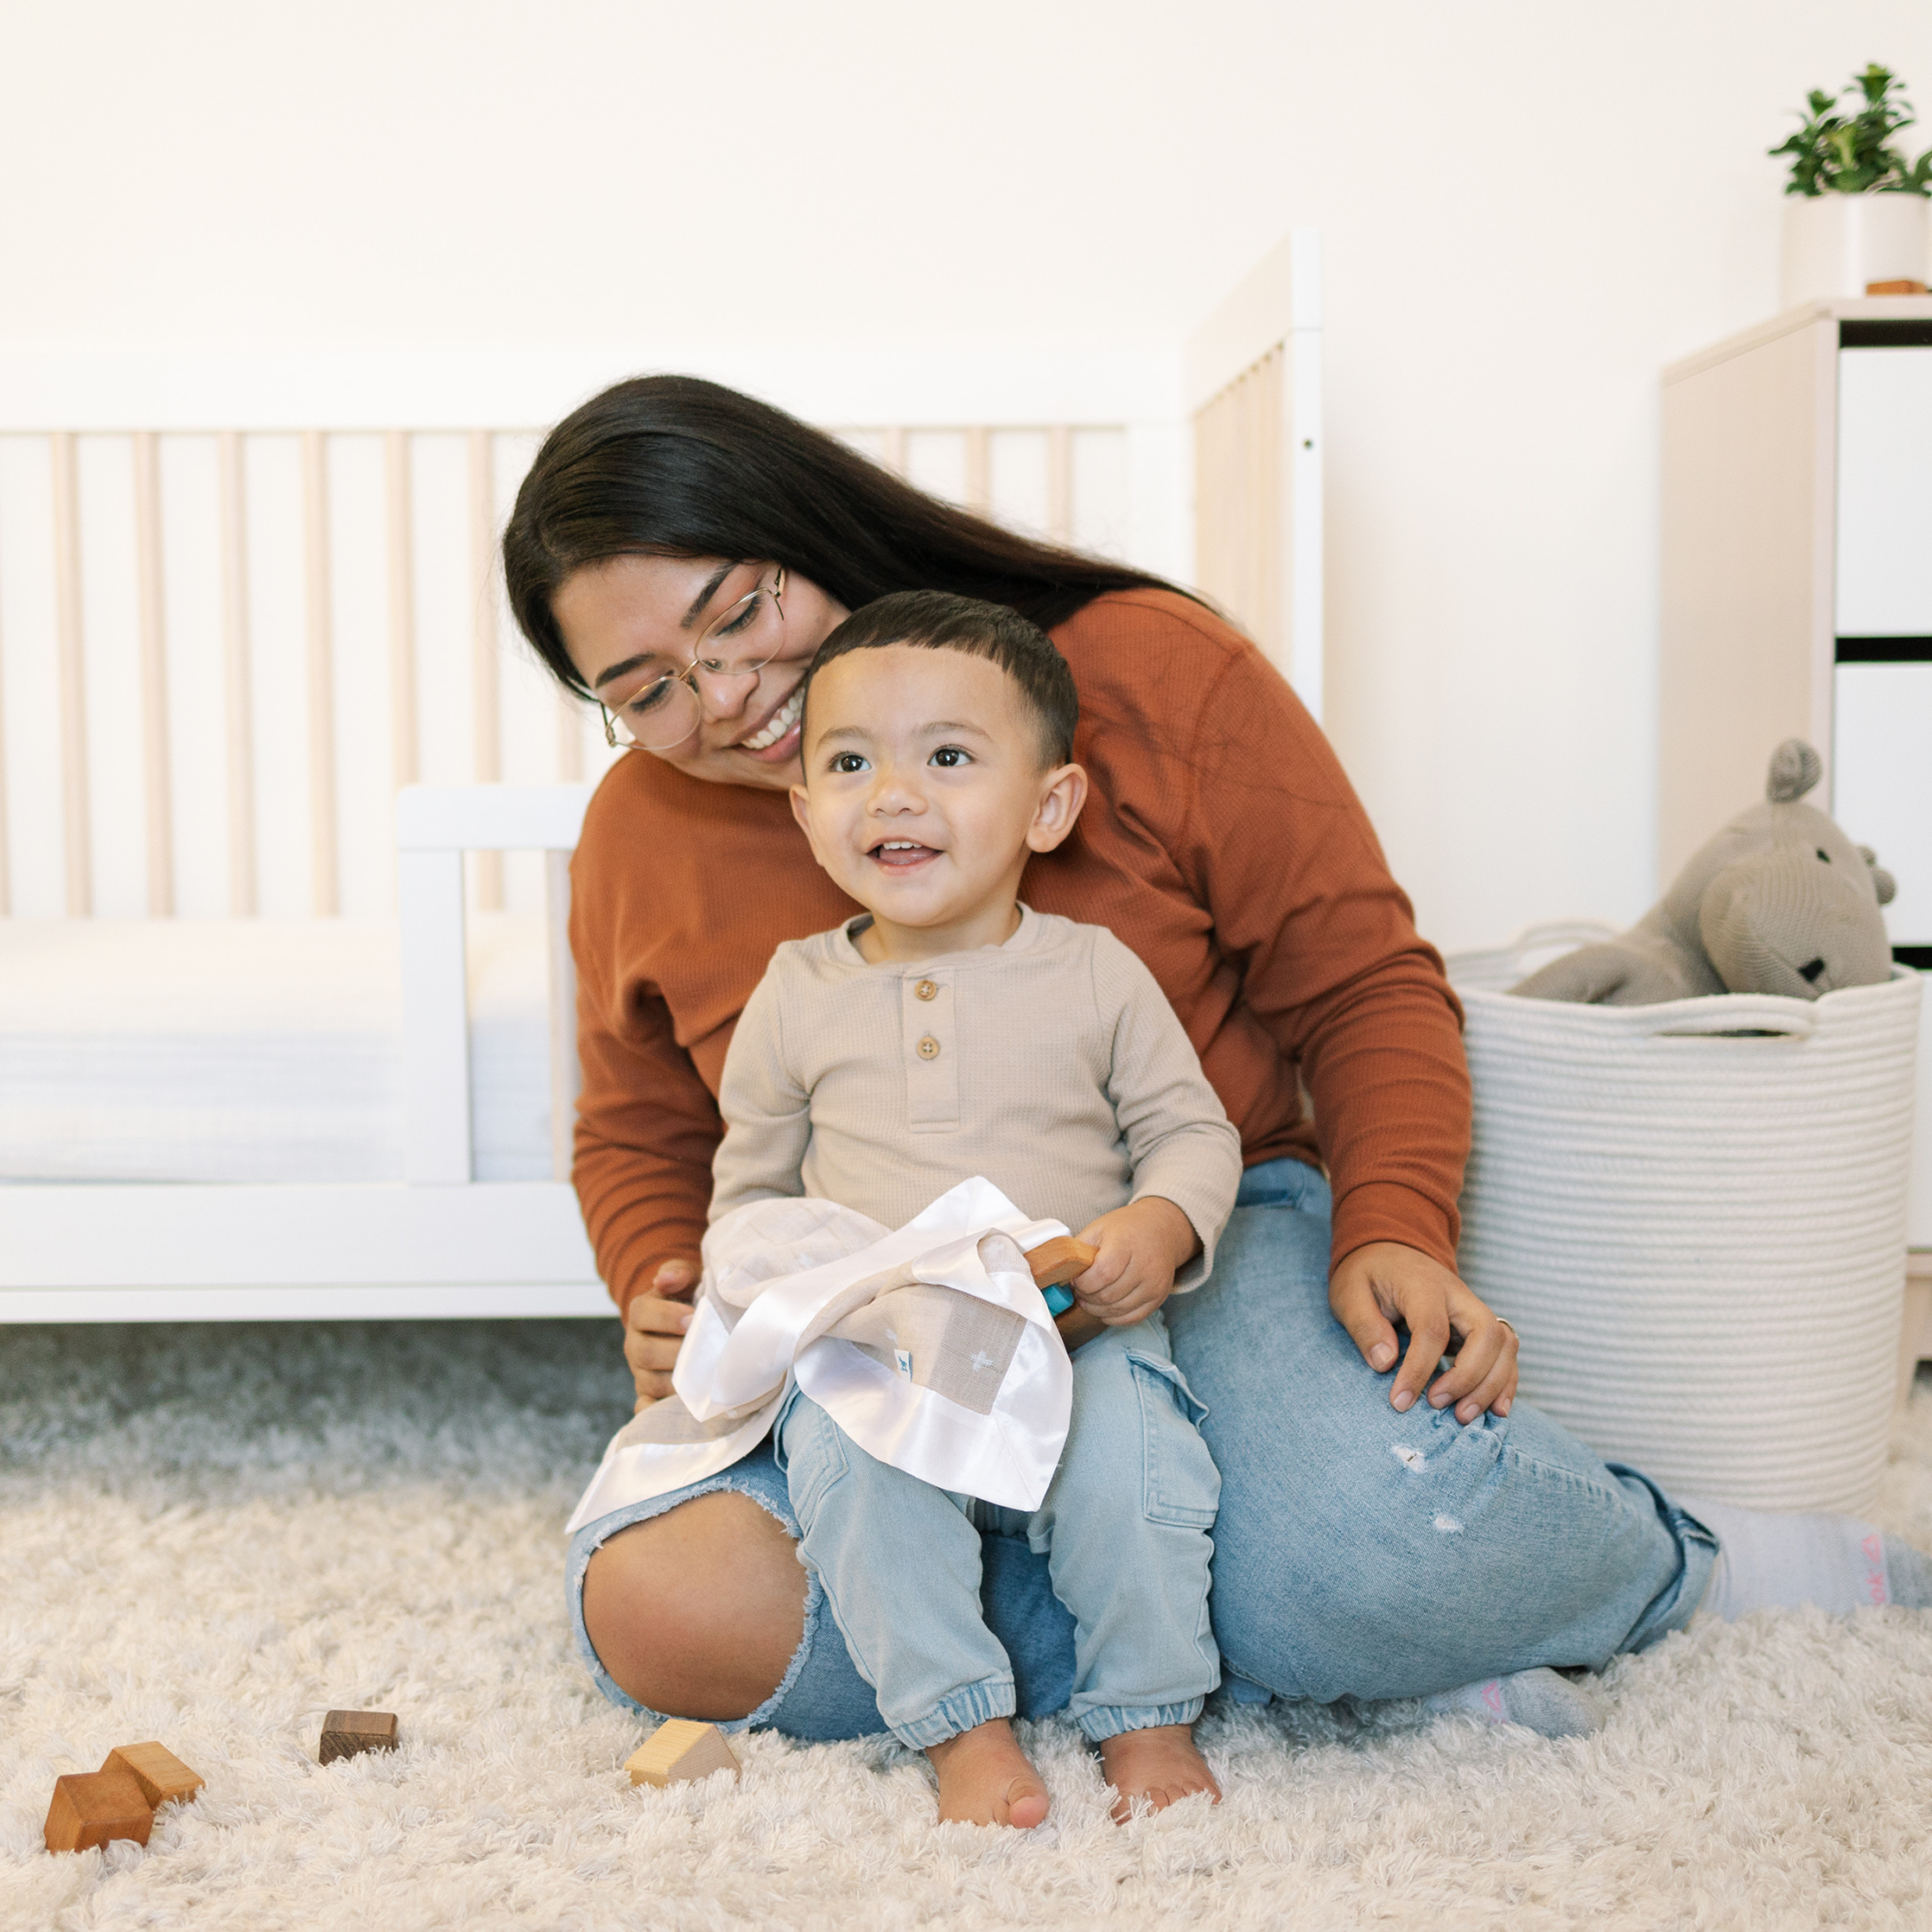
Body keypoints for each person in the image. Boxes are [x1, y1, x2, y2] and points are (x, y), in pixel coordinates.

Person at [502, 375, 1932, 1763]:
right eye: (651, 688)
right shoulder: (645, 826)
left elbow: (1364, 987)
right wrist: (659, 1282)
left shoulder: (1140, 670)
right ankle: (1247, 1627)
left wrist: (1394, 1227)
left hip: (1195, 1237)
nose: (731, 694)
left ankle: (1667, 1561)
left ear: (805, 519)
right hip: (871, 1318)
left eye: (740, 610)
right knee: (659, 1611)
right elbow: (635, 1126)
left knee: (1385, 1535)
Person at [710, 589, 1242, 1825]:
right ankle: (958, 1727)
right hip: (892, 1351)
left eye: (947, 757)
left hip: (1081, 1333)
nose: (893, 795)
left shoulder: (1094, 973)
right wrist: (768, 1309)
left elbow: (1189, 1134)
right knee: (850, 1473)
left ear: (1049, 804)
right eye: (850, 764)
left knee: (1142, 1474)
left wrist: (1154, 1233)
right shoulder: (797, 992)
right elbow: (751, 1197)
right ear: (806, 812)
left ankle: (1148, 1717)